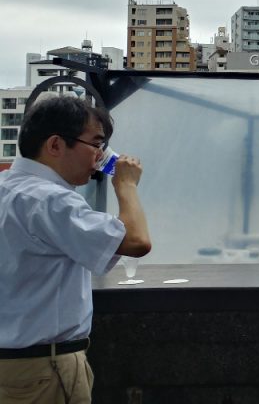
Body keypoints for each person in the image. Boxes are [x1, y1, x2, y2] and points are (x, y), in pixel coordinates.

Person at [0, 95, 151, 403]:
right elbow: (137, 241)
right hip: (44, 369)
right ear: (56, 145)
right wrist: (126, 185)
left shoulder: (7, 187)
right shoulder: (51, 199)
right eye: (95, 144)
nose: (99, 157)